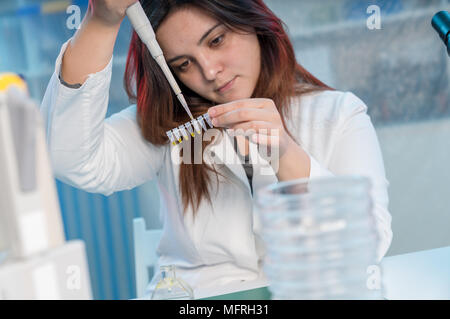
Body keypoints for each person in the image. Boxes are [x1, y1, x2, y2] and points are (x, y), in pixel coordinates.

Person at [40, 0, 393, 298]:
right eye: (184, 64)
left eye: (217, 40)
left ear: (254, 23)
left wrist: (286, 152)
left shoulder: (338, 115)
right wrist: (101, 23)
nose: (209, 71)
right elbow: (68, 159)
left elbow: (368, 246)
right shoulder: (168, 124)